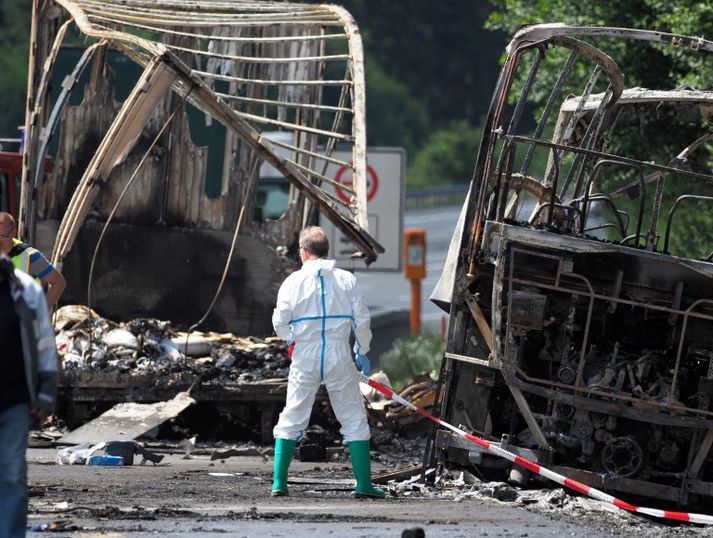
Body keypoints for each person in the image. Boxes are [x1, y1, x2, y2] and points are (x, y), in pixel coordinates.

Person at [271, 226, 385, 498]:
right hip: (338, 354)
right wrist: (362, 349)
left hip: (306, 354)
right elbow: (362, 319)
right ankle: (364, 485)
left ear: (303, 251)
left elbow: (279, 321)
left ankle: (279, 483)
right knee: (352, 417)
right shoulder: (346, 280)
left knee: (293, 415)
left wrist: (292, 340)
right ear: (326, 251)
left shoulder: (292, 282)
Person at [0, 254, 58, 537]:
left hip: (14, 401)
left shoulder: (26, 290)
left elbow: (44, 341)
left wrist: (47, 390)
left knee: (11, 477)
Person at [0, 212, 66, 309]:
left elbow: (59, 282)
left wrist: (41, 313)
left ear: (13, 233)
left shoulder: (30, 256)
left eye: (1, 236)